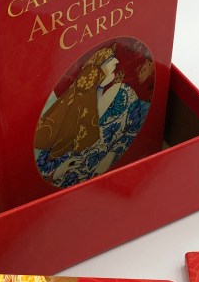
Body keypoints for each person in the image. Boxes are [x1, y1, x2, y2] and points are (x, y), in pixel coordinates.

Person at [34, 45, 150, 187]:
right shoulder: (72, 113)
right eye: (109, 61)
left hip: (117, 180)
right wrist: (59, 171)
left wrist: (111, 156)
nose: (116, 62)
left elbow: (132, 131)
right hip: (72, 189)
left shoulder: (124, 95)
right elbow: (44, 167)